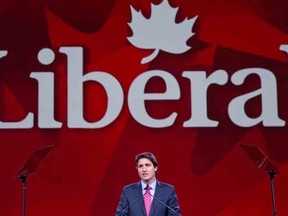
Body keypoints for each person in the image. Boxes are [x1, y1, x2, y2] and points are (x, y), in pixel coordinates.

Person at [115, 152, 181, 216]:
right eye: (140, 166)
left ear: (155, 167)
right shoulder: (128, 191)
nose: (144, 169)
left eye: (147, 165)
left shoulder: (168, 191)